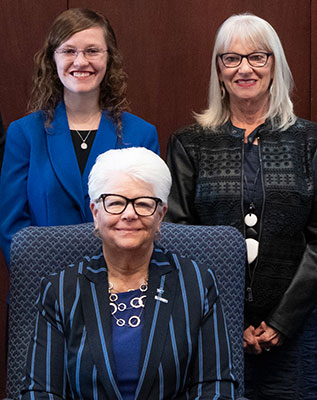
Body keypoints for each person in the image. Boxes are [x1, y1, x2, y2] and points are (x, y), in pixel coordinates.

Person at [165, 13, 317, 399]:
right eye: (231, 58)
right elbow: (180, 240)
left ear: (274, 65)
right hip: (209, 330)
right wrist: (230, 320)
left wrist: (281, 322)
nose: (244, 68)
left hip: (297, 333)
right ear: (219, 70)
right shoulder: (190, 143)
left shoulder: (309, 141)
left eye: (257, 57)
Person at [20, 147, 236, 399]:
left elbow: (216, 386)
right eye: (115, 202)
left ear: (160, 215)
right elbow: (41, 392)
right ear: (95, 212)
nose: (129, 214)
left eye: (143, 203)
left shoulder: (197, 283)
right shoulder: (61, 290)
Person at [0, 8, 159, 265]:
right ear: (53, 59)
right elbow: (12, 230)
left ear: (109, 59)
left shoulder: (141, 134)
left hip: (118, 287)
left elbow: (147, 222)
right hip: (43, 289)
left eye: (92, 51)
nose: (80, 61)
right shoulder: (24, 134)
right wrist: (43, 283)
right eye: (69, 51)